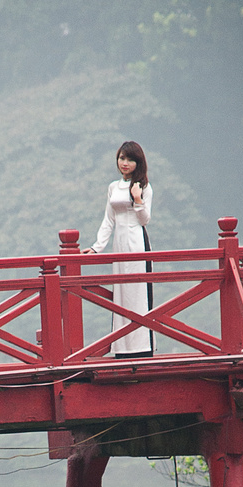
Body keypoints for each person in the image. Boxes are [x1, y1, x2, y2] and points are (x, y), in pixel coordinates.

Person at [83, 140, 153, 356]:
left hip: (137, 241)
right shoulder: (113, 187)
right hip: (119, 243)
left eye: (130, 159)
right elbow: (109, 220)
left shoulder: (144, 186)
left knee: (137, 292)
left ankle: (142, 348)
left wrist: (138, 199)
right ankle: (122, 347)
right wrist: (97, 247)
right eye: (122, 158)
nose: (125, 163)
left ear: (138, 163)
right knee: (121, 292)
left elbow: (145, 220)